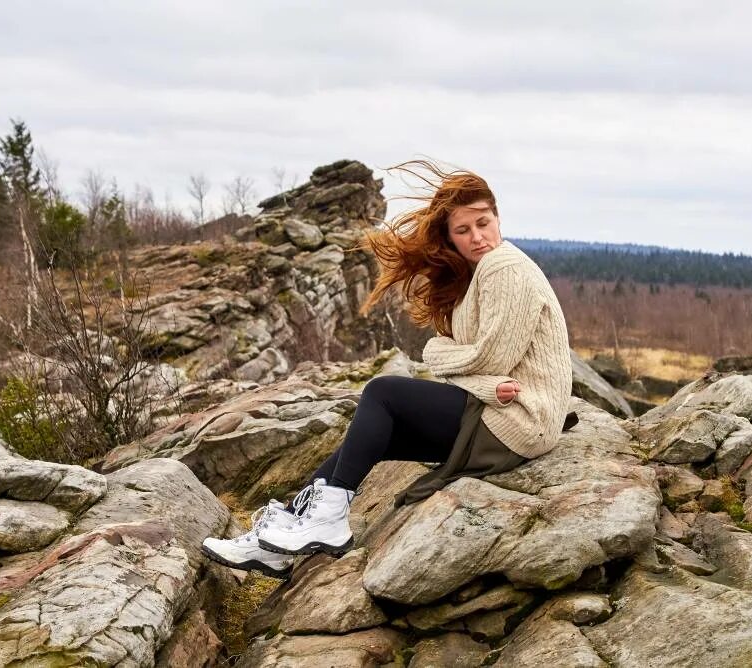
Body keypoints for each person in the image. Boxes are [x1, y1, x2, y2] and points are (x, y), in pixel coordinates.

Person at [202, 160, 573, 577]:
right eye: (463, 230)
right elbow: (474, 364)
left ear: (497, 218)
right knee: (368, 439)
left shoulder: (505, 266)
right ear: (449, 237)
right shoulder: (476, 275)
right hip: (500, 414)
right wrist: (449, 360)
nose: (478, 237)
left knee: (383, 393)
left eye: (483, 223)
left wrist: (446, 359)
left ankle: (326, 521)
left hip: (519, 421)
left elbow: (490, 358)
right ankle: (279, 536)